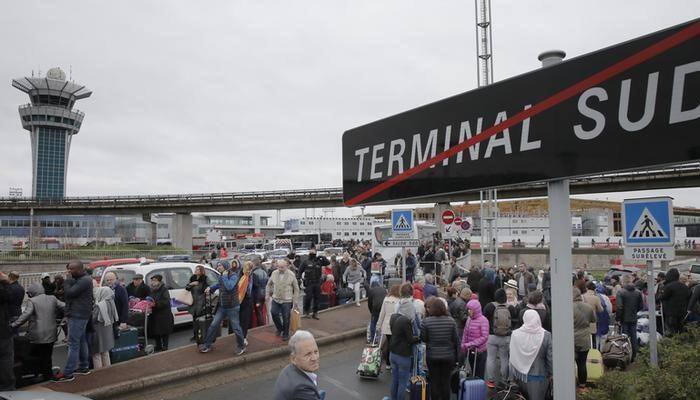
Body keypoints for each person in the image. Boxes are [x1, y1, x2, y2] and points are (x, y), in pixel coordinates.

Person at [11, 283, 64, 381]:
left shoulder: (32, 301)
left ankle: (44, 374)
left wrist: (13, 325)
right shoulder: (52, 298)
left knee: (36, 355)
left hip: (37, 334)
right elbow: (64, 306)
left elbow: (25, 315)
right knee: (47, 355)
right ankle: (47, 374)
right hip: (51, 332)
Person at [54, 261, 94, 382]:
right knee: (81, 340)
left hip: (78, 315)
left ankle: (68, 373)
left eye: (71, 269)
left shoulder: (85, 280)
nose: (69, 272)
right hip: (80, 314)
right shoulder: (82, 279)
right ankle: (84, 367)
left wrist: (68, 280)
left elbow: (70, 293)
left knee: (73, 343)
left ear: (79, 269)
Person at [200, 262, 246, 354]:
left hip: (232, 307)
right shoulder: (221, 276)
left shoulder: (234, 276)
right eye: (218, 265)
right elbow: (219, 285)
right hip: (222, 306)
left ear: (225, 267)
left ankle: (241, 346)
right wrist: (211, 288)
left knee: (236, 327)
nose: (218, 267)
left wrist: (224, 276)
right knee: (213, 325)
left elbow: (229, 286)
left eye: (220, 265)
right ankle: (207, 345)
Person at [421, 297, 459, 400]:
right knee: (446, 381)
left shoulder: (426, 321)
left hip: (432, 355)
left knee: (434, 381)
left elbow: (423, 338)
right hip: (448, 356)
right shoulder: (451, 321)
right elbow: (455, 339)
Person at [509, 309, 553, 400]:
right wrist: (551, 374)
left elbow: (512, 357)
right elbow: (550, 358)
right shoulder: (546, 335)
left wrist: (511, 378)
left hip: (520, 376)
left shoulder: (515, 334)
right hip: (540, 375)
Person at [387, 284, 420, 400]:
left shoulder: (394, 317)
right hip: (403, 355)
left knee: (394, 380)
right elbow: (410, 339)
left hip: (393, 353)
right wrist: (418, 338)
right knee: (402, 382)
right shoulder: (406, 321)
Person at [274, 330, 322, 400]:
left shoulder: (287, 370)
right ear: (293, 359)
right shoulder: (301, 388)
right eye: (308, 354)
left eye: (316, 351)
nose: (314, 358)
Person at [483, 288, 518, 387]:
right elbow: (514, 321)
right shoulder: (510, 307)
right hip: (506, 337)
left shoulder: (489, 306)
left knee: (490, 358)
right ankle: (503, 379)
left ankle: (491, 380)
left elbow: (484, 320)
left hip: (492, 336)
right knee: (504, 358)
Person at [267, 259, 300, 341]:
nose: (280, 269)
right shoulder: (274, 273)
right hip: (276, 298)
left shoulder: (291, 274)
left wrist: (295, 301)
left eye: (282, 267)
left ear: (286, 266)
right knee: (273, 313)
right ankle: (280, 328)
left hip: (287, 300)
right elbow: (269, 284)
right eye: (278, 267)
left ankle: (286, 333)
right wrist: (267, 294)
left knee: (286, 317)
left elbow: (296, 289)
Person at [573, 287, 596, 389]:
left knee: (569, 363)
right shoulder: (588, 307)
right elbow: (593, 320)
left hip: (571, 338)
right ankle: (582, 385)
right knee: (582, 364)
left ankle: (569, 385)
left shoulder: (567, 307)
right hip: (584, 338)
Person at [461, 299, 489, 379]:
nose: (469, 311)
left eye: (470, 309)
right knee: (472, 372)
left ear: (476, 310)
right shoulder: (469, 319)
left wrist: (469, 344)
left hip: (480, 352)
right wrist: (463, 346)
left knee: (479, 374)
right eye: (468, 309)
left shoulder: (483, 320)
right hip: (470, 351)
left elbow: (484, 337)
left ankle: (479, 390)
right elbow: (465, 333)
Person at [658, 267, 691, 336]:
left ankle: (671, 344)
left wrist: (659, 295)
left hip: (670, 312)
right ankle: (679, 343)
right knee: (680, 330)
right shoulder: (685, 287)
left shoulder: (669, 286)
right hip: (682, 313)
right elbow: (689, 297)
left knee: (670, 331)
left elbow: (662, 297)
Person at [91, 285, 118, 369]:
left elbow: (93, 319)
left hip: (98, 332)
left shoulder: (99, 305)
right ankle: (108, 370)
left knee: (96, 354)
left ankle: (99, 372)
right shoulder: (111, 302)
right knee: (105, 352)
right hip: (107, 332)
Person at [376, 284, 401, 370]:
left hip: (386, 326)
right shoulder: (399, 301)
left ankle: (388, 363)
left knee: (389, 343)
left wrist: (378, 325)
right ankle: (393, 363)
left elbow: (382, 313)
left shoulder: (386, 299)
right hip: (396, 325)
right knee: (395, 345)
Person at [149, 274, 175, 352]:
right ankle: (158, 345)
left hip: (164, 314)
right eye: (152, 280)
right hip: (154, 313)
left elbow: (166, 301)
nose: (153, 282)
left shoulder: (164, 289)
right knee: (156, 331)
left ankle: (165, 346)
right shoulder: (152, 289)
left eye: (155, 280)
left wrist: (156, 304)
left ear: (159, 282)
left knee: (164, 331)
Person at [186, 265, 209, 341]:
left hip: (201, 302)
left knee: (200, 320)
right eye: (196, 269)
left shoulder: (204, 279)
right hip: (193, 301)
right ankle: (195, 335)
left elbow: (205, 289)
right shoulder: (192, 278)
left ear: (201, 271)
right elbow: (187, 288)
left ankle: (201, 335)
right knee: (194, 319)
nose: (196, 271)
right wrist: (192, 284)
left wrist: (198, 284)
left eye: (198, 270)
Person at [0, 272, 15, 390]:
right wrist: (5, 281)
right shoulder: (4, 288)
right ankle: (8, 388)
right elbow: (9, 296)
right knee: (5, 359)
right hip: (3, 331)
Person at [299, 249, 324, 319]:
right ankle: (307, 311)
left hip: (317, 282)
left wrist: (322, 257)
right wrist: (299, 278)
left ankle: (315, 313)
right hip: (309, 282)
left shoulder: (319, 261)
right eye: (311, 253)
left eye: (314, 253)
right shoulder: (305, 262)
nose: (312, 254)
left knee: (317, 298)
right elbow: (300, 270)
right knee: (308, 297)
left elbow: (327, 262)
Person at [581, 281, 604, 348]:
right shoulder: (596, 298)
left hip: (583, 321)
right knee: (593, 338)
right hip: (592, 320)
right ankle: (593, 353)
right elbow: (600, 310)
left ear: (586, 288)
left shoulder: (582, 296)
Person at [367, 277, 387, 342]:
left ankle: (373, 339)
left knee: (373, 323)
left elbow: (369, 303)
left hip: (375, 308)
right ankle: (382, 339)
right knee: (382, 322)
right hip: (383, 307)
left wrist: (371, 312)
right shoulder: (384, 289)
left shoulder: (371, 291)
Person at [238, 261, 254, 339]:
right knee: (240, 319)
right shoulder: (240, 276)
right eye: (248, 269)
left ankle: (244, 336)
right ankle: (240, 335)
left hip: (248, 300)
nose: (249, 271)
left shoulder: (253, 276)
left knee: (246, 320)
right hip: (240, 300)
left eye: (250, 269)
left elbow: (255, 288)